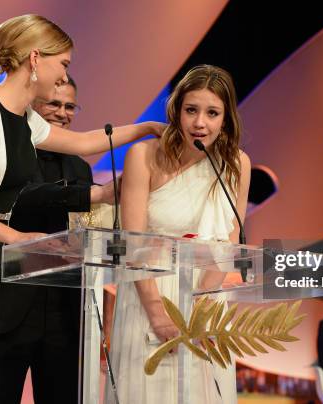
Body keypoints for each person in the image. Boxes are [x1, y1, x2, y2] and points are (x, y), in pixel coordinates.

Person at [0, 14, 162, 403]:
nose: (64, 75)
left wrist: (148, 129)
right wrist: (14, 236)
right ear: (36, 59)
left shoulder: (24, 121)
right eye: (64, 64)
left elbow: (85, 142)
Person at [107, 65, 251, 403]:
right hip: (150, 293)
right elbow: (133, 243)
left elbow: (229, 240)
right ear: (177, 110)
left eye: (212, 113)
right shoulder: (143, 155)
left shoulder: (236, 163)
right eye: (191, 110)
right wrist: (158, 313)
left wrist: (201, 311)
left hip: (207, 296)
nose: (200, 122)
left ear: (225, 118)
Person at [0, 76, 114, 404]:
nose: (62, 113)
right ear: (32, 102)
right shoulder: (10, 150)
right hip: (12, 303)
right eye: (53, 103)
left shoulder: (80, 165)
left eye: (69, 106)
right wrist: (89, 195)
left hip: (65, 312)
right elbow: (20, 198)